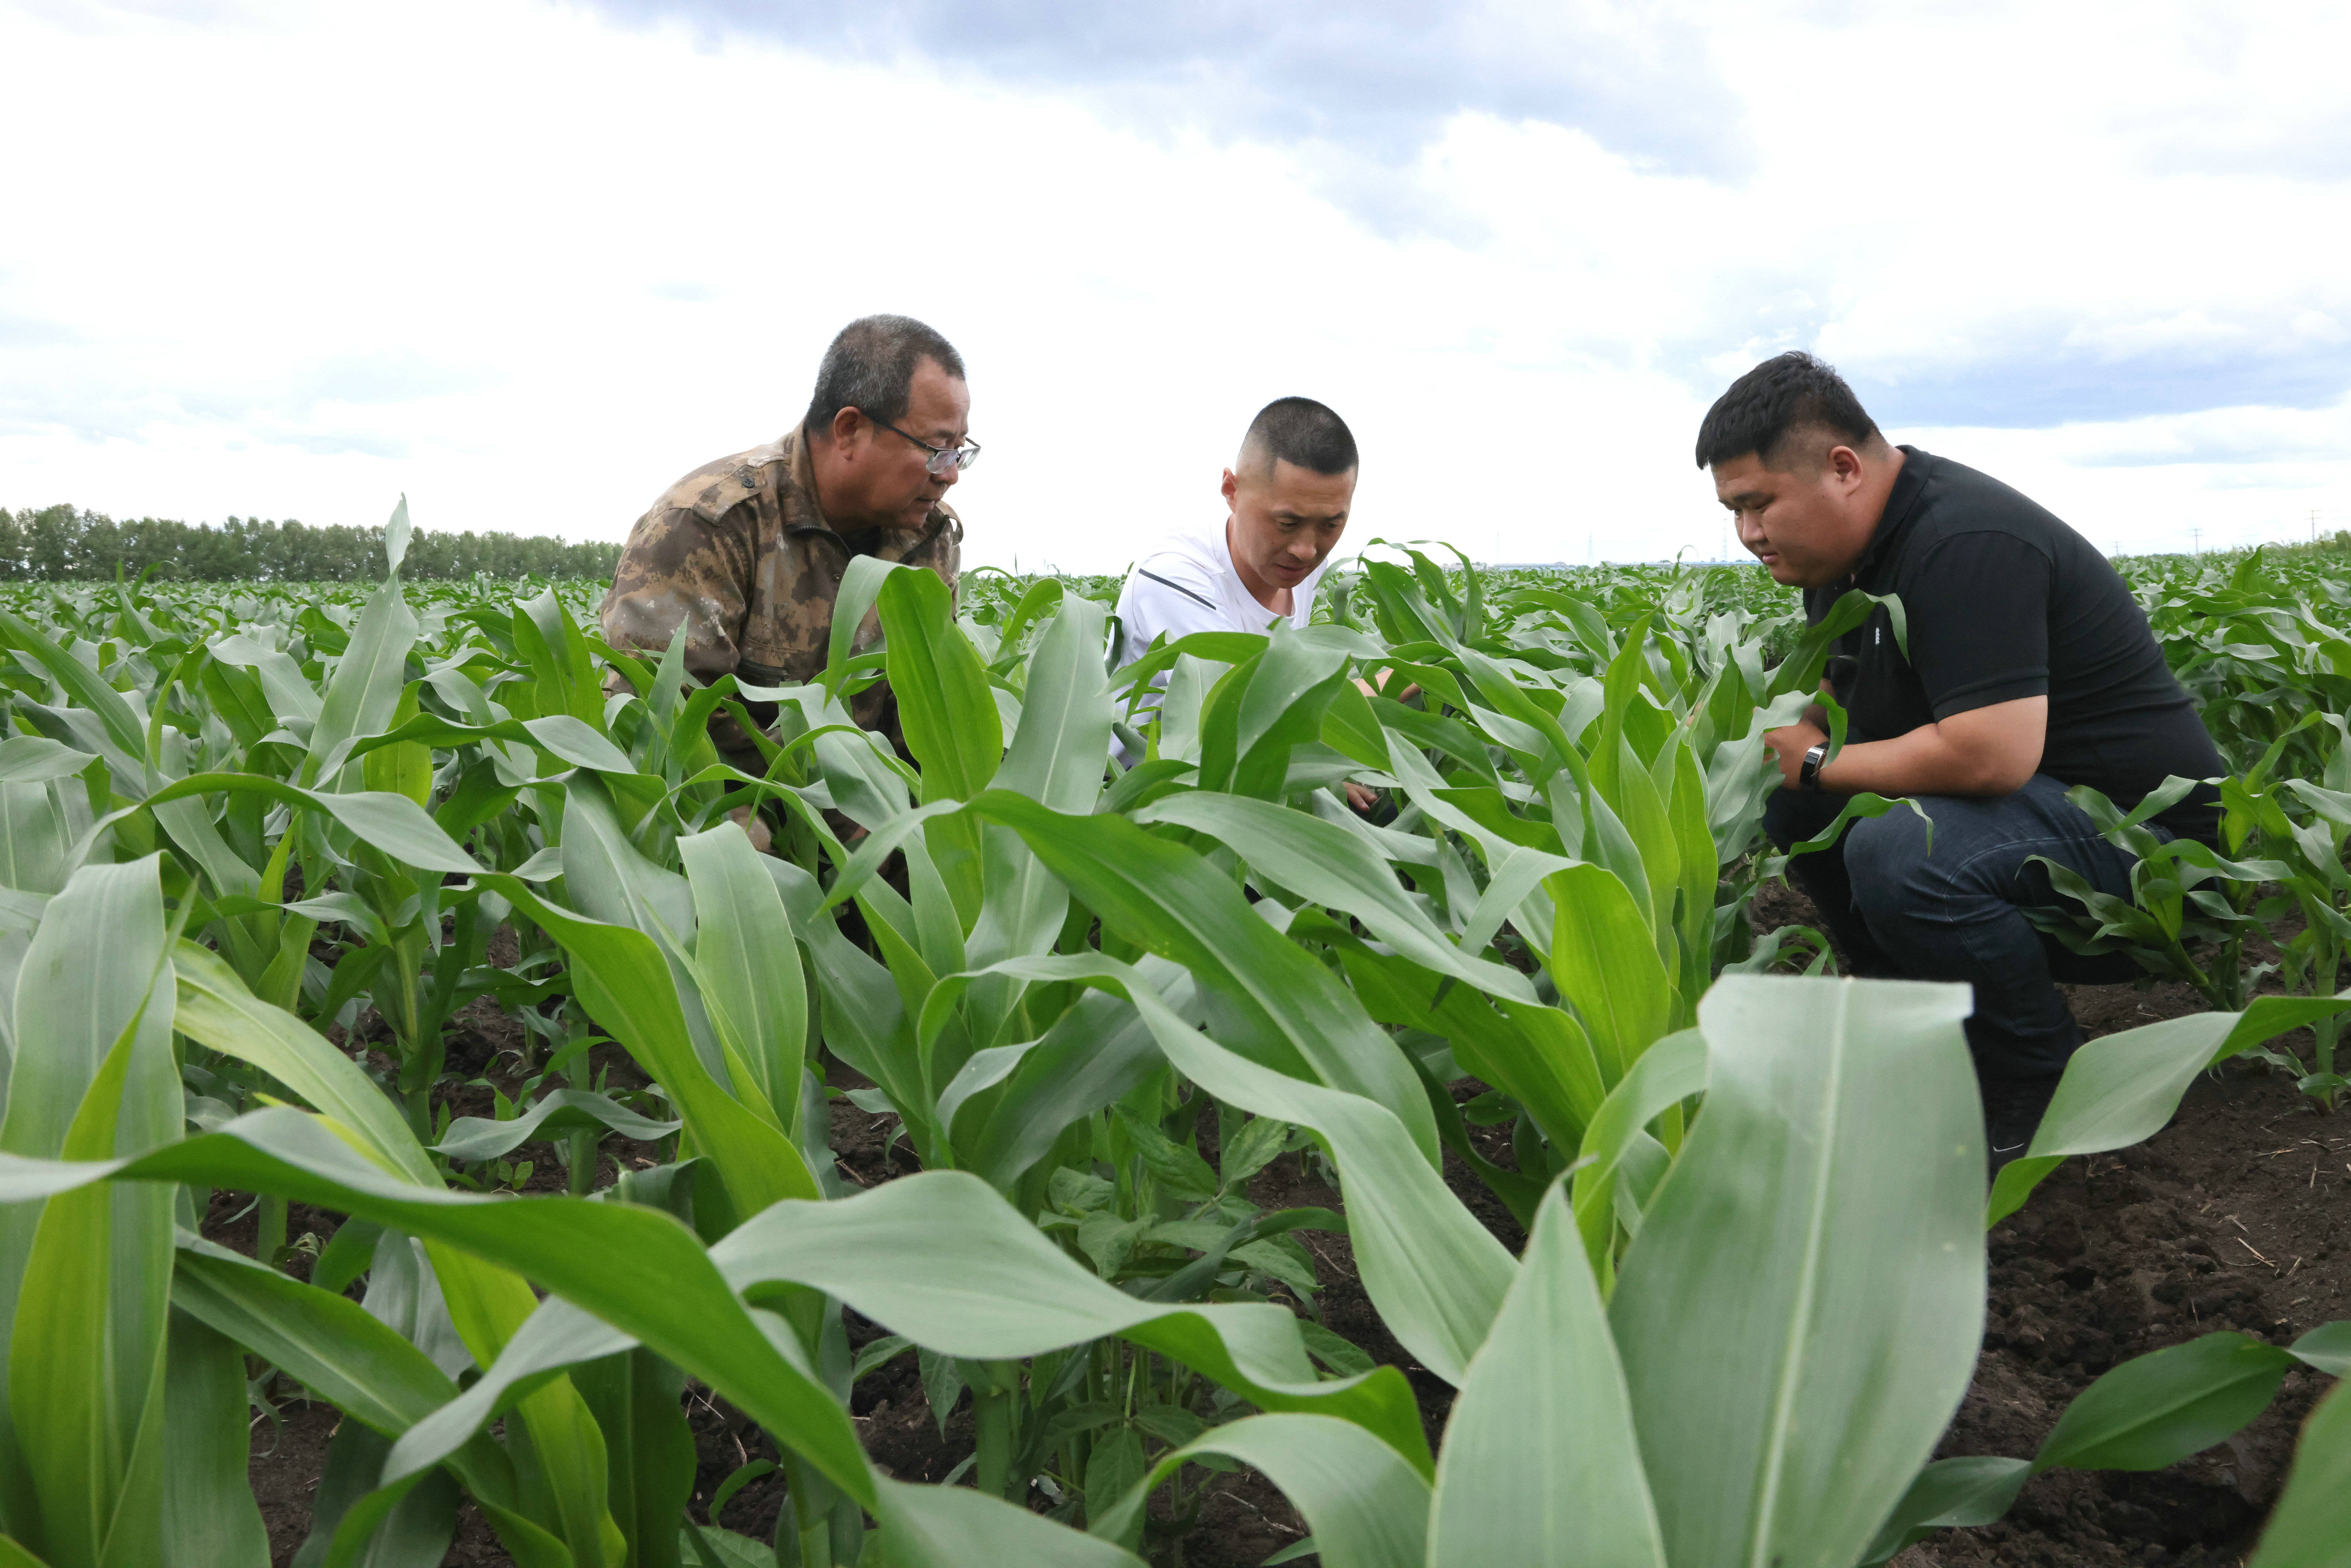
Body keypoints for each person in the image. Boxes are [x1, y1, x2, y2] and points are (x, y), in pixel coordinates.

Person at [1699, 351, 2226, 1169]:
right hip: (2039, 820)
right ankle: (1914, 1025)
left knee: (1897, 846)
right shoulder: (1841, 566)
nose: (1747, 534)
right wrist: (1750, 739)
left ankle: (2037, 1074)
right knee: (1793, 803)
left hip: (2152, 853)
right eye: (1732, 511)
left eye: (1758, 504)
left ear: (1842, 468)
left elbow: (1989, 757)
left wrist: (1813, 761)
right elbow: (1840, 705)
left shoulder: (1962, 540)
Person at [600, 314, 976, 779]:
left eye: (960, 451)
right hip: (742, 814)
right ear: (850, 430)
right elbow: (662, 729)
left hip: (878, 814)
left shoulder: (927, 538)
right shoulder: (709, 524)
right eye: (937, 449)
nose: (950, 474)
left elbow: (927, 715)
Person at [1113, 397, 1380, 806]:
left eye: (1331, 524)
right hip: (1139, 800)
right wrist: (1387, 685)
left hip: (1229, 784)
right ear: (1231, 490)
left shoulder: (1294, 568)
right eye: (1287, 523)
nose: (1307, 550)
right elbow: (1239, 721)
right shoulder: (1174, 576)